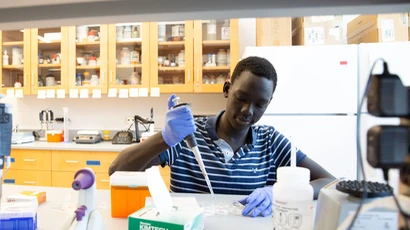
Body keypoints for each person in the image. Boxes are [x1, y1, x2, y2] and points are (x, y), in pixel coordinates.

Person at [109, 56, 335, 218]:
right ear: (227, 89)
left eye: (260, 104)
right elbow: (116, 171)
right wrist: (165, 138)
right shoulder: (188, 135)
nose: (248, 110)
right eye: (241, 98)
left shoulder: (271, 142)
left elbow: (330, 182)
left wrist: (278, 191)